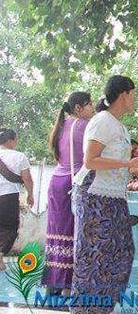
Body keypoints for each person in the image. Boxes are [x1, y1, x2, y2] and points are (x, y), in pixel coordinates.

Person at [71, 75, 138, 314]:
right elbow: (90, 161)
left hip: (114, 197)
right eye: (133, 93)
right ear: (124, 94)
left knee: (121, 250)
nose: (135, 98)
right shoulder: (102, 121)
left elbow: (116, 163)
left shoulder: (120, 126)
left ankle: (103, 306)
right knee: (93, 252)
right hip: (94, 195)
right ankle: (85, 311)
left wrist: (134, 168)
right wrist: (126, 162)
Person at [42, 92, 94, 295]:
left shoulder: (60, 126)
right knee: (75, 231)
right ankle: (68, 284)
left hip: (56, 182)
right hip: (74, 183)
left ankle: (53, 281)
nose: (93, 109)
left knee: (57, 232)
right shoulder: (82, 125)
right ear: (79, 108)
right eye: (89, 105)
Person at [0, 128, 34, 271]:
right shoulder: (19, 156)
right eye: (16, 139)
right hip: (8, 196)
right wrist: (30, 194)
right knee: (10, 228)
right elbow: (27, 179)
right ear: (10, 141)